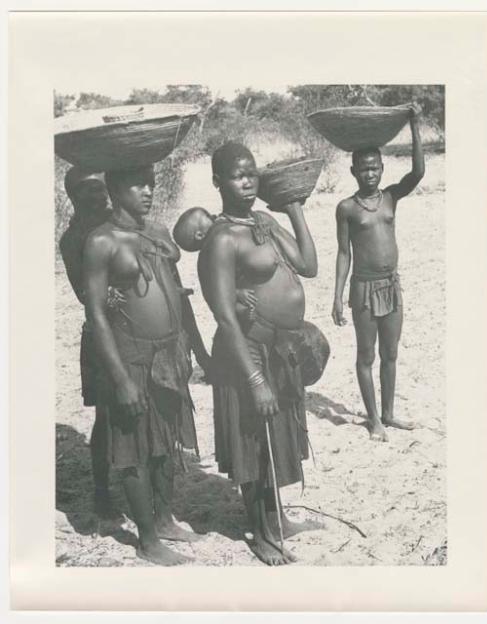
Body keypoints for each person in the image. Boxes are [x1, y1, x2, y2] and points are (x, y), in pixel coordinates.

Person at [198, 142, 320, 566]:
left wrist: (293, 209)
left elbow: (307, 264)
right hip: (244, 352)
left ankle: (279, 519)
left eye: (252, 173)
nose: (247, 181)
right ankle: (261, 532)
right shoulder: (221, 238)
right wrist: (253, 379)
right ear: (218, 182)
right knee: (252, 439)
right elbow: (224, 316)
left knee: (278, 436)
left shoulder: (263, 222)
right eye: (236, 175)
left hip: (278, 348)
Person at [83, 164, 211, 566]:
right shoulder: (101, 242)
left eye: (152, 184)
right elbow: (97, 315)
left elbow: (177, 293)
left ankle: (166, 518)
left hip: (168, 353)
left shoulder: (155, 233)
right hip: (130, 357)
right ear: (115, 189)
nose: (148, 191)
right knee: (133, 444)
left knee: (164, 437)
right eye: (137, 184)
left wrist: (195, 350)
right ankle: (148, 538)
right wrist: (120, 379)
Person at [332, 104, 425, 442]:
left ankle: (388, 413)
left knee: (391, 353)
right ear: (353, 171)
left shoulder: (390, 197)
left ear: (382, 168)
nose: (369, 173)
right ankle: (373, 419)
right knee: (366, 354)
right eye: (363, 169)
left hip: (391, 284)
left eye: (374, 167)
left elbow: (417, 173)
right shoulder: (346, 208)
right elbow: (344, 253)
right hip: (363, 287)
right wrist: (338, 297)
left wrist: (414, 126)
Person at [59, 168, 121, 518]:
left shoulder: (116, 223)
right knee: (107, 416)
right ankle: (102, 492)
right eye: (90, 192)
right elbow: (84, 294)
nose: (99, 197)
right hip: (102, 331)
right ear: (73, 197)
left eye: (101, 189)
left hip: (134, 326)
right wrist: (104, 295)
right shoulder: (73, 238)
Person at [173, 206, 258, 323]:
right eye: (208, 216)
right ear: (199, 235)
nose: (213, 216)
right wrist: (237, 293)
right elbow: (212, 289)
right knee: (229, 307)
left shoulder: (216, 247)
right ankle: (242, 312)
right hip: (228, 299)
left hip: (237, 289)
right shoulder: (207, 257)